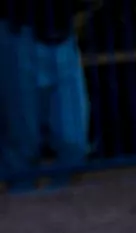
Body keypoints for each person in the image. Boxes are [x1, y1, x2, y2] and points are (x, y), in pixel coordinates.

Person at [0, 0, 92, 191]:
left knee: (73, 141)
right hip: (19, 32)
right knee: (23, 140)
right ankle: (22, 195)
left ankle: (61, 198)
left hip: (62, 35)